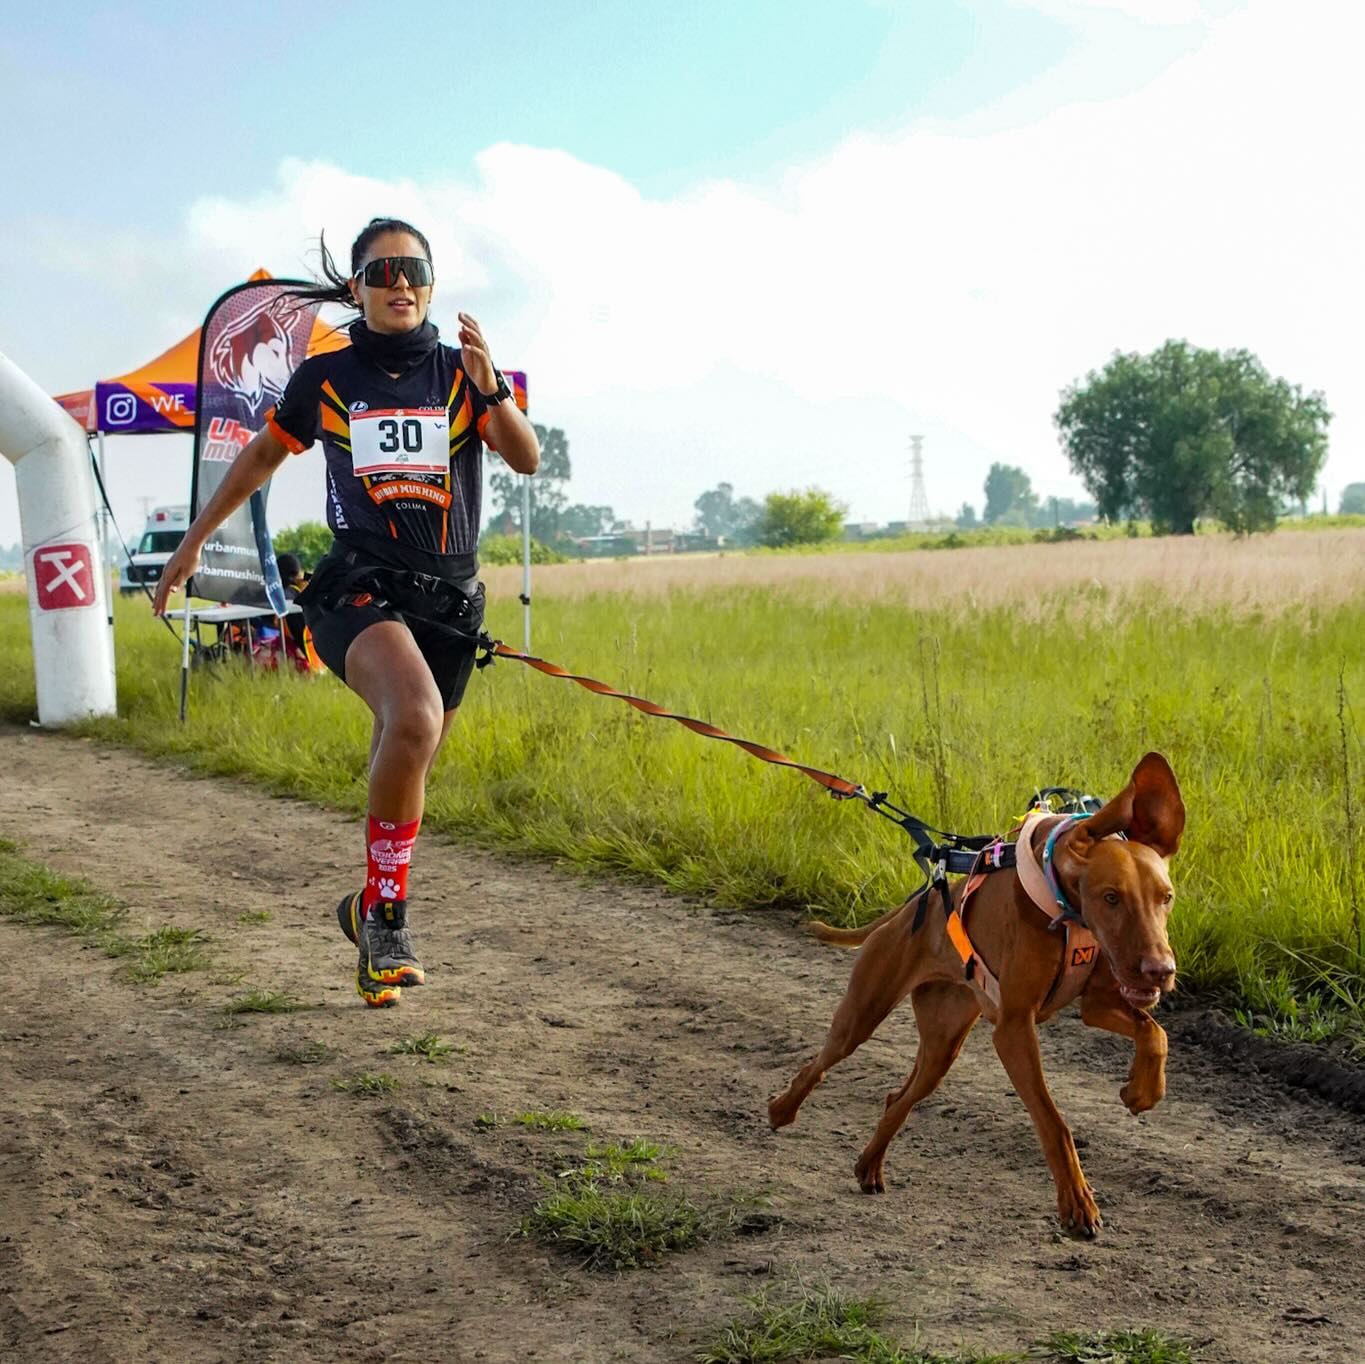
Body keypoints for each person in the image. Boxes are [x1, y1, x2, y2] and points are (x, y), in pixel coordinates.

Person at [154, 218, 540, 1007]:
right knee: (415, 720)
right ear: (358, 289)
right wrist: (193, 544)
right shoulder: (327, 378)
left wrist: (490, 381)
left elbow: (525, 456)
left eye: (414, 270)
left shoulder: (462, 373)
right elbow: (262, 455)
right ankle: (390, 922)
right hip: (357, 589)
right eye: (382, 271)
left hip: (451, 602)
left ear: (430, 284)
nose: (400, 283)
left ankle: (366, 908)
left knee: (410, 753)